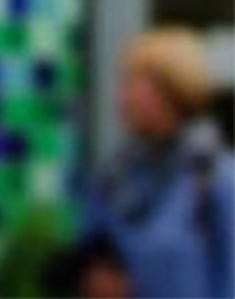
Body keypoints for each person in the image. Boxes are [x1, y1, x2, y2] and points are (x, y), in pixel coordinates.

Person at [77, 27, 234, 299]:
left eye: (132, 83)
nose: (122, 97)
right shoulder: (114, 175)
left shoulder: (214, 175)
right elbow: (93, 253)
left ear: (170, 90)